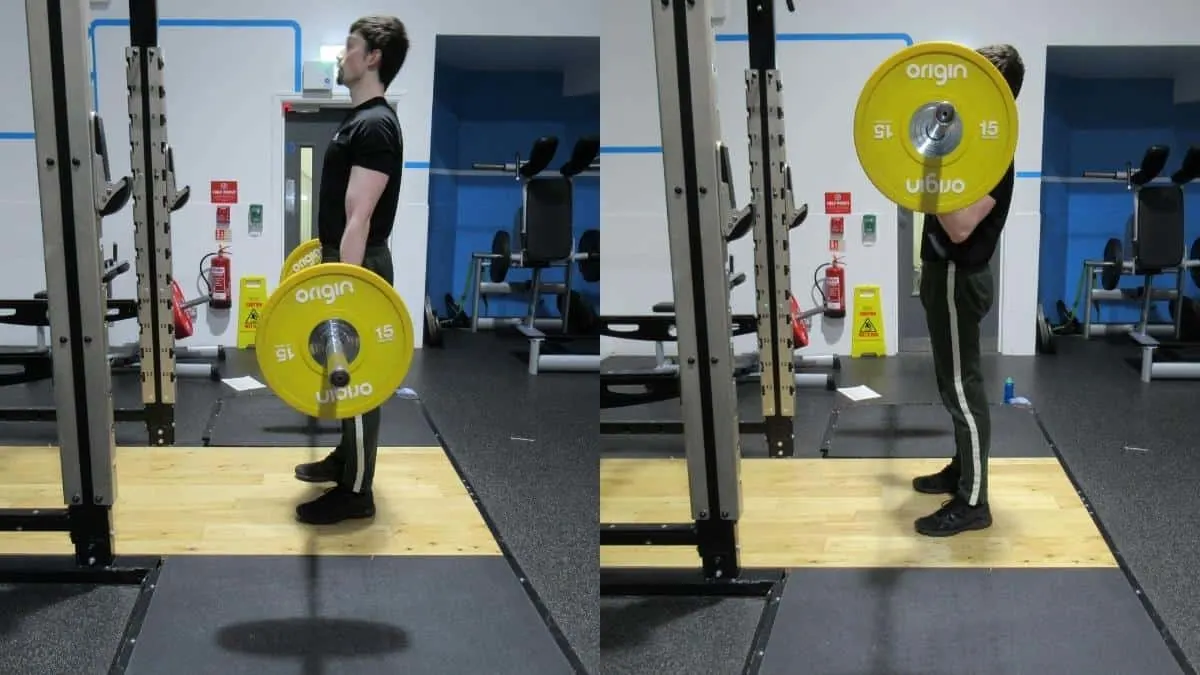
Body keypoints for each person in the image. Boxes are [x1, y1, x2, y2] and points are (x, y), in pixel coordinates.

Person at [292, 16, 409, 525]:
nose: (342, 56)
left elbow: (359, 216)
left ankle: (357, 492)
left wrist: (346, 285)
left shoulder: (376, 124)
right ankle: (347, 460)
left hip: (359, 262)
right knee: (341, 372)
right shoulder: (360, 119)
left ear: (374, 57)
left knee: (356, 376)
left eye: (350, 47)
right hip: (344, 258)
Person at [910, 44, 1024, 537]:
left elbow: (958, 227)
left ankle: (975, 502)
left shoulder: (996, 155)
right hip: (943, 274)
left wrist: (924, 168)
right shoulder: (969, 145)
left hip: (960, 274)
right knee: (949, 382)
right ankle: (962, 471)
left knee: (962, 387)